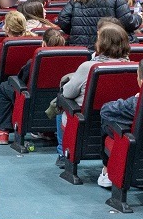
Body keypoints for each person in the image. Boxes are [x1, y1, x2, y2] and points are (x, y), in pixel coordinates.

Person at [55, 21, 132, 166]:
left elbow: (68, 93)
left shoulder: (88, 67)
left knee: (60, 104)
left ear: (101, 44)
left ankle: (63, 153)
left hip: (84, 121)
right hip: (118, 121)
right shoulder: (134, 67)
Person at [96, 57, 143, 188]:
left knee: (107, 122)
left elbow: (105, 110)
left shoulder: (135, 103)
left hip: (136, 152)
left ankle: (107, 171)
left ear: (141, 80)